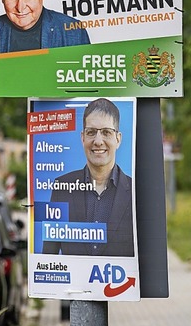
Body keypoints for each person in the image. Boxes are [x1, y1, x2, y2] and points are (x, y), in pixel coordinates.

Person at [42, 98, 134, 257]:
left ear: (118, 139)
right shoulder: (61, 187)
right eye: (91, 132)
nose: (98, 141)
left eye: (106, 132)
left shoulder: (135, 191)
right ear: (82, 137)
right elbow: (49, 255)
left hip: (120, 282)